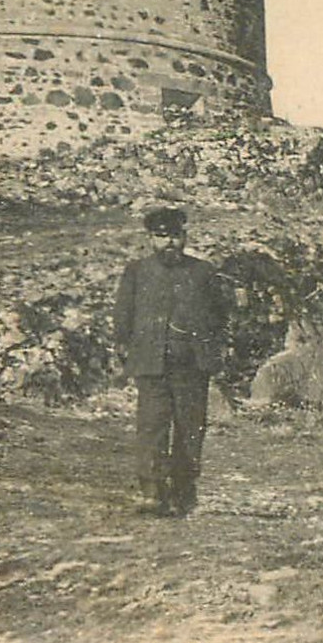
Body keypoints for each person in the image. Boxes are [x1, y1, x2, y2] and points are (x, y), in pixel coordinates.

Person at [113, 207, 230, 517]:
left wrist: (213, 349)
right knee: (151, 426)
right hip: (151, 363)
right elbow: (123, 313)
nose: (169, 242)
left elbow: (220, 315)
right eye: (161, 236)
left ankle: (183, 490)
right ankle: (152, 491)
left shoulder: (203, 272)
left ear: (185, 236)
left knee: (190, 428)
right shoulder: (136, 271)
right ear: (151, 239)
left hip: (192, 365)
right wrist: (124, 347)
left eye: (175, 236)